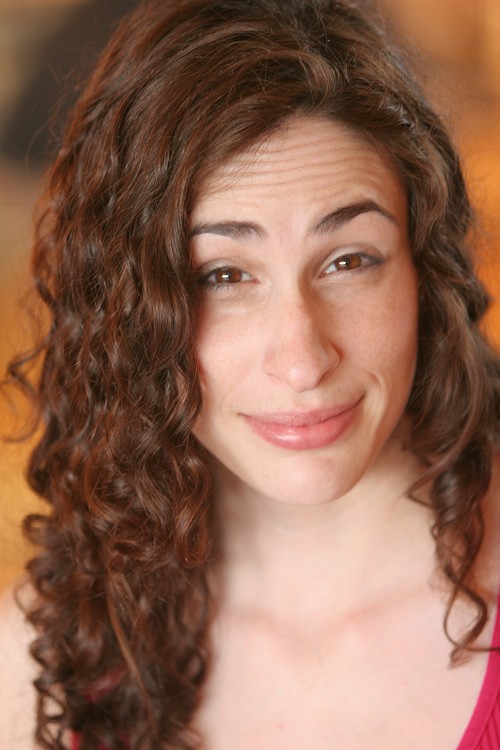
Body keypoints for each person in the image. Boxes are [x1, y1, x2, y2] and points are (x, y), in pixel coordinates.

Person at [1, 0, 500, 748]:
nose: (302, 361)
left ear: (424, 273)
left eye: (348, 261)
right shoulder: (35, 663)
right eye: (224, 276)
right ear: (129, 314)